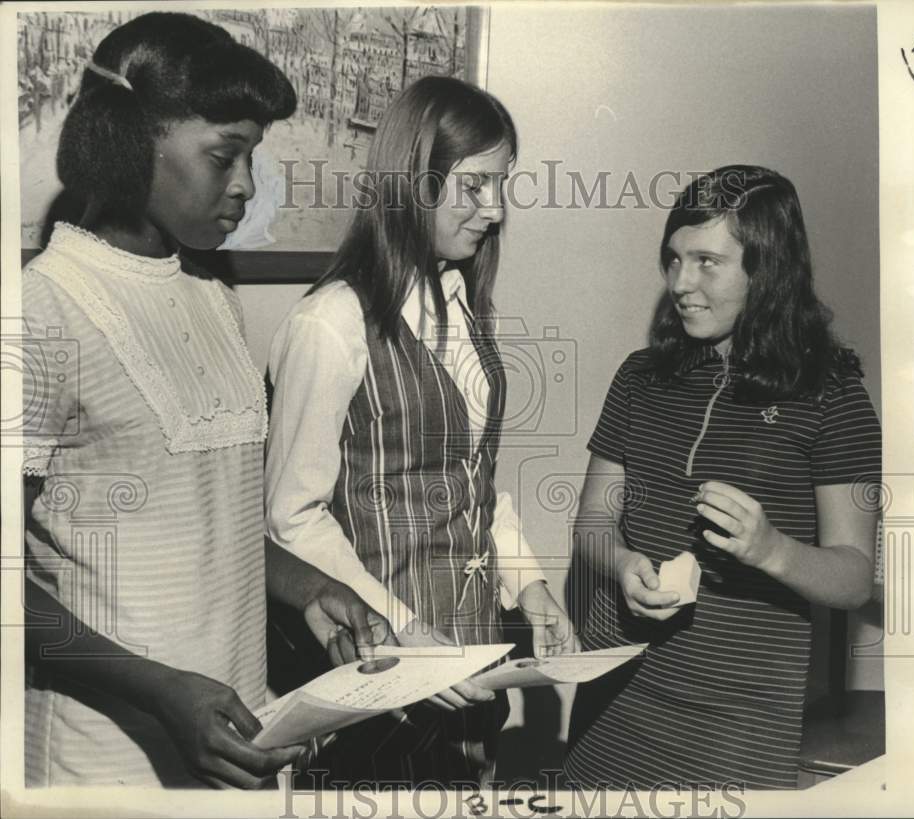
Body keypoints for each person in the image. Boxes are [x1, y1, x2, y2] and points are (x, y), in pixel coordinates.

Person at [20, 12, 390, 789]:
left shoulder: (214, 294)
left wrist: (309, 586)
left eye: (252, 155)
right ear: (132, 144)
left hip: (240, 742)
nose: (248, 185)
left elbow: (201, 520)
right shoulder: (41, 310)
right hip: (107, 763)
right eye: (225, 155)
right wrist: (159, 691)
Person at [265, 75, 579, 788]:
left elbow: (475, 483)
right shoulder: (329, 325)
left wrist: (527, 585)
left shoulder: (463, 310)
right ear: (413, 180)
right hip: (374, 678)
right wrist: (402, 628)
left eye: (501, 185)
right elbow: (291, 519)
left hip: (471, 673)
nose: (494, 209)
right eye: (473, 186)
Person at [563, 165, 882, 790]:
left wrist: (772, 550)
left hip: (733, 728)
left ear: (769, 268)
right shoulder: (639, 377)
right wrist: (623, 564)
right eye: (674, 260)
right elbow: (592, 525)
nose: (682, 282)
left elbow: (852, 578)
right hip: (614, 698)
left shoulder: (832, 395)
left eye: (708, 261)